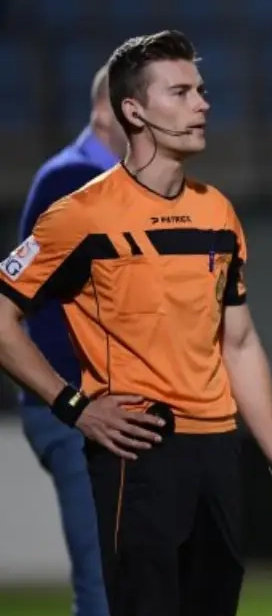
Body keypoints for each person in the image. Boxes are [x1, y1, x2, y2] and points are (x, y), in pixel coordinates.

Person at [0, 30, 272, 616]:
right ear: (134, 111)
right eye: (181, 92)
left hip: (219, 453)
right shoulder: (80, 216)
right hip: (140, 451)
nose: (202, 104)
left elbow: (240, 343)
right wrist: (74, 407)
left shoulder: (217, 212)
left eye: (201, 90)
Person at [17, 64, 124, 616]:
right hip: (78, 407)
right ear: (105, 110)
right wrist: (73, 403)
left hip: (98, 407)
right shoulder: (72, 180)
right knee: (104, 584)